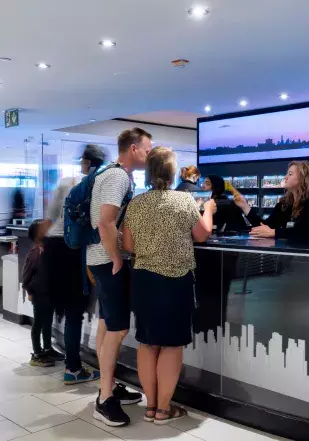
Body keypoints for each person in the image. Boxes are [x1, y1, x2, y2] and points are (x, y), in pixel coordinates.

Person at [122, 146, 215, 424]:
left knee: (147, 342)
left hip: (144, 280)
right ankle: (164, 409)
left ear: (149, 173)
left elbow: (127, 245)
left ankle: (150, 406)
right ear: (173, 172)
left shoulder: (136, 203)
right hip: (176, 280)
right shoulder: (184, 201)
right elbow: (202, 235)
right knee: (172, 345)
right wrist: (208, 209)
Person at [89, 128, 151, 427]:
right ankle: (103, 399)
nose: (149, 156)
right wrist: (116, 257)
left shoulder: (108, 173)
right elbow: (106, 222)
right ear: (134, 148)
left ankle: (108, 385)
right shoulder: (118, 177)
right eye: (147, 150)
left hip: (97, 258)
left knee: (107, 323)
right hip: (106, 259)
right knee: (118, 329)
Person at [39, 145, 110, 384]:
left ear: (85, 162)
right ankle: (73, 367)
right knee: (75, 312)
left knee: (64, 308)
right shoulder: (99, 186)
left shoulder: (65, 182)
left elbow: (49, 218)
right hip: (76, 250)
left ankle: (59, 354)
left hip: (54, 248)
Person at [234, 161, 309, 241]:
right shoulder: (285, 203)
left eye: (290, 174)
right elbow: (266, 227)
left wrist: (275, 233)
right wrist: (245, 207)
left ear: (303, 177)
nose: (285, 177)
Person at [22, 220, 56, 367]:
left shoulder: (48, 250)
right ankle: (37, 353)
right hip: (38, 294)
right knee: (38, 323)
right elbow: (26, 275)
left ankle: (48, 348)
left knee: (48, 321)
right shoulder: (35, 253)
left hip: (49, 293)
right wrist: (29, 291)